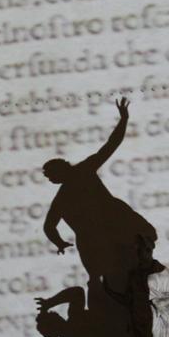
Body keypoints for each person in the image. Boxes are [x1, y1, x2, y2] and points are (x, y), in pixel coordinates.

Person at [43, 97, 157, 288]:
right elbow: (49, 226)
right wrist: (59, 242)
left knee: (140, 245)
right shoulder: (67, 191)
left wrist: (123, 120)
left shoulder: (81, 173)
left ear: (61, 170)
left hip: (114, 224)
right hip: (98, 238)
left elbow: (111, 145)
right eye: (49, 177)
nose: (50, 180)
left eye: (51, 175)